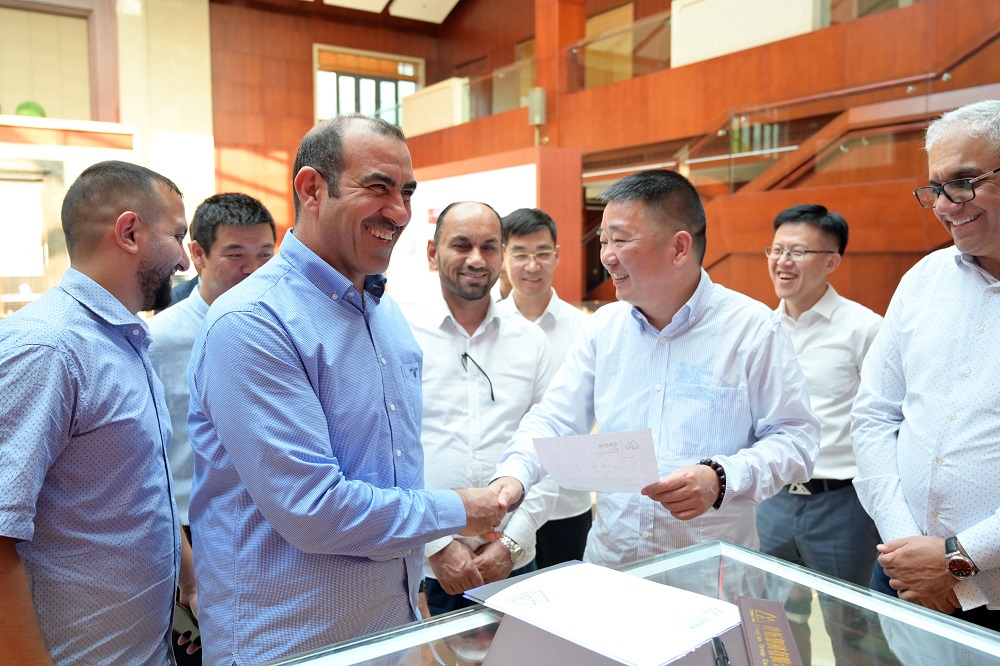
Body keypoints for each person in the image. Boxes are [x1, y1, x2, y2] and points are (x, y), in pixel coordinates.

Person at [187, 115, 513, 666]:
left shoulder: (383, 315)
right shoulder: (254, 322)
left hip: (386, 632)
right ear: (312, 189)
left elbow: (394, 471)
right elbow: (314, 510)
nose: (400, 212)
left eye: (406, 193)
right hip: (290, 645)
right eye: (378, 187)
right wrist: (458, 510)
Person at [493, 169, 819, 568]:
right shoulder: (603, 328)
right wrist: (515, 473)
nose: (606, 256)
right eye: (604, 240)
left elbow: (796, 439)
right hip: (614, 564)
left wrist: (722, 477)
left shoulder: (752, 329)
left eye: (621, 239)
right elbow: (555, 418)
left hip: (708, 572)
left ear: (679, 247)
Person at [0, 160, 196, 664]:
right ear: (129, 232)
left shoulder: (123, 339)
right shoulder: (49, 349)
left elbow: (138, 482)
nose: (184, 261)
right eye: (177, 236)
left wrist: (189, 580)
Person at [852, 99, 1000, 630]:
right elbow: (873, 416)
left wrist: (958, 560)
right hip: (902, 573)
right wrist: (906, 548)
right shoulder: (923, 279)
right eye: (935, 188)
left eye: (963, 182)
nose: (944, 204)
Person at [408, 202, 557, 616]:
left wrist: (511, 543)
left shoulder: (530, 342)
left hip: (514, 561)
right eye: (461, 245)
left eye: (489, 247)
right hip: (427, 567)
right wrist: (437, 545)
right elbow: (385, 453)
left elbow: (550, 449)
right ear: (433, 253)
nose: (476, 259)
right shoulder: (401, 335)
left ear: (501, 255)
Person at [148, 193, 275, 663]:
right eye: (235, 255)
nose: (254, 270)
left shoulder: (283, 329)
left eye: (265, 254)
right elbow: (151, 460)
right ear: (198, 255)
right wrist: (187, 570)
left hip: (267, 524)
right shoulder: (159, 339)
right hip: (189, 532)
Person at [757, 204, 882, 664]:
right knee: (774, 622)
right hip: (772, 500)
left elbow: (887, 420)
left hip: (841, 505)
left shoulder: (864, 329)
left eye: (798, 252)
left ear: (832, 260)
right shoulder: (760, 327)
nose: (783, 261)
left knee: (852, 627)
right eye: (776, 250)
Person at [496, 207, 593, 567]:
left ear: (557, 255)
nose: (532, 265)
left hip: (568, 502)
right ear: (503, 257)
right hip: (506, 500)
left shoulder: (584, 329)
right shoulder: (488, 327)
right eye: (520, 254)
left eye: (542, 253)